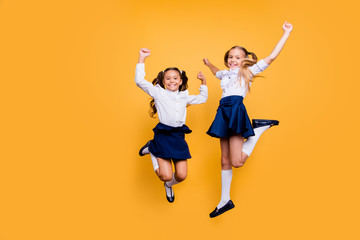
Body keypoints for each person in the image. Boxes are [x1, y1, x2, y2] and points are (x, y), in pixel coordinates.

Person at [203, 21, 293, 217]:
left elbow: (271, 57)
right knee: (224, 159)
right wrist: (209, 63)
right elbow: (215, 71)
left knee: (237, 162)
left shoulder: (247, 72)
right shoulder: (225, 74)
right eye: (230, 57)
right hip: (222, 112)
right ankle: (225, 201)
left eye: (237, 57)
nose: (233, 60)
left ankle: (258, 130)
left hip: (235, 111)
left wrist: (286, 33)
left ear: (244, 60)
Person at [136, 48, 208, 203]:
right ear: (163, 82)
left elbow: (203, 98)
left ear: (181, 81)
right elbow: (139, 81)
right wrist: (142, 58)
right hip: (163, 136)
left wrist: (204, 82)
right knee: (165, 175)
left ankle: (168, 185)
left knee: (181, 176)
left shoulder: (184, 96)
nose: (172, 81)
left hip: (178, 137)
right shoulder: (158, 92)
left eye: (175, 78)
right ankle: (153, 149)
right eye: (168, 78)